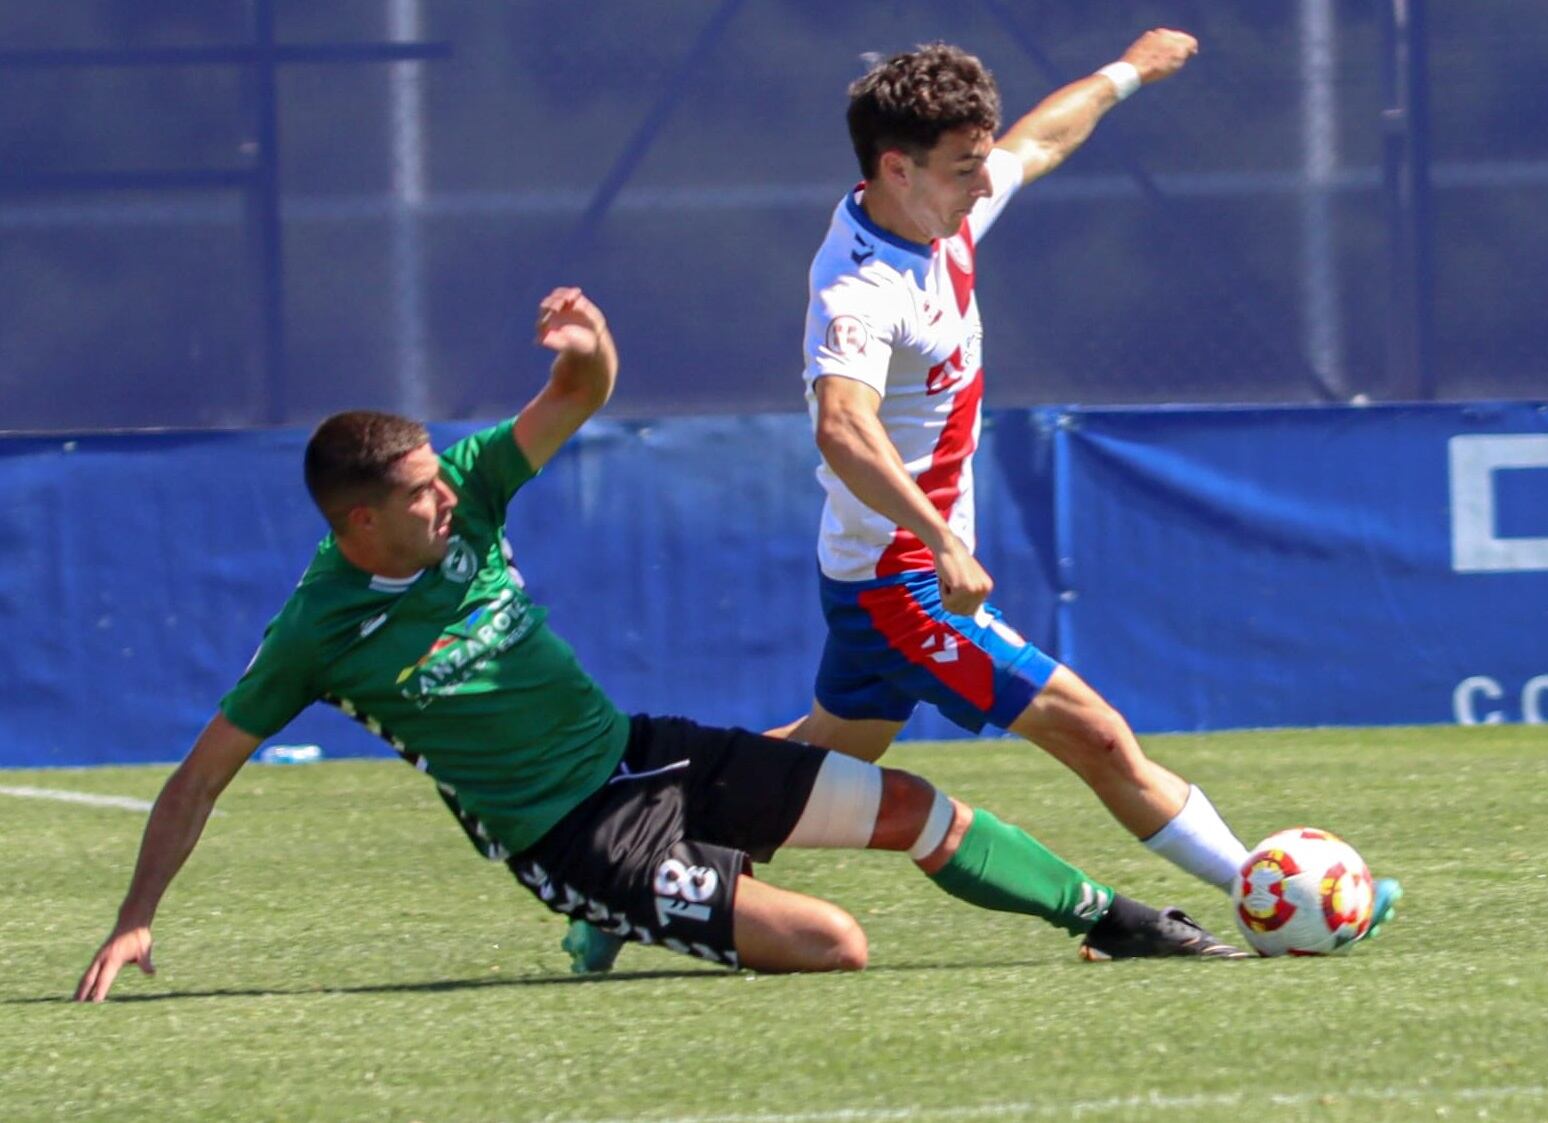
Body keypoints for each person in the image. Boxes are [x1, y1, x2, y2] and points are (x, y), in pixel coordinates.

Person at [75, 287, 1246, 1003]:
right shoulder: (316, 633)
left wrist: (580, 348)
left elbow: (574, 394)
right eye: (421, 494)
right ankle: (610, 911)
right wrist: (138, 916)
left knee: (915, 807)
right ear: (355, 522)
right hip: (570, 836)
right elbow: (197, 779)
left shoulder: (471, 492)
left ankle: (1117, 922)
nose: (447, 498)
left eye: (442, 479)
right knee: (836, 946)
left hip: (643, 753)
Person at [762, 34, 1402, 931]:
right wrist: (941, 536)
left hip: (881, 575)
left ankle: (637, 839)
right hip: (900, 585)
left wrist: (1129, 70)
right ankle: (1274, 897)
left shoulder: (940, 219)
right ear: (896, 169)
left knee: (802, 770)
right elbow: (841, 427)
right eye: (962, 169)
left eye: (979, 163)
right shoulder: (860, 287)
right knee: (1096, 734)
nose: (984, 183)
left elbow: (1040, 142)